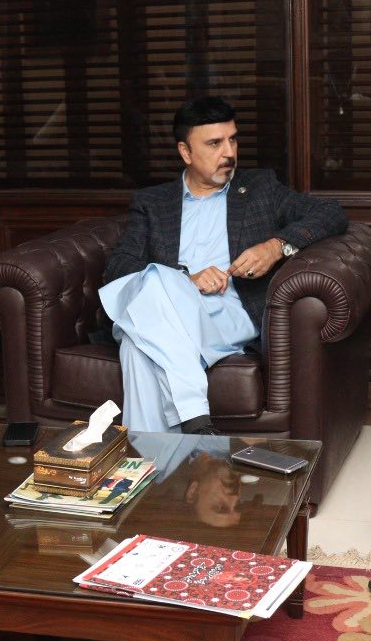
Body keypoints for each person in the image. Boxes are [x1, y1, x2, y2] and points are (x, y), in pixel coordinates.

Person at [101, 96, 348, 433]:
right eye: (215, 144)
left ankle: (187, 424)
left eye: (233, 140)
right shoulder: (153, 203)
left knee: (142, 324)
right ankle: (174, 447)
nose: (229, 153)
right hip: (168, 313)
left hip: (228, 316)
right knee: (139, 335)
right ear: (186, 152)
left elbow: (332, 212)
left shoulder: (260, 189)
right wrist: (186, 280)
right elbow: (119, 267)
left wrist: (277, 246)